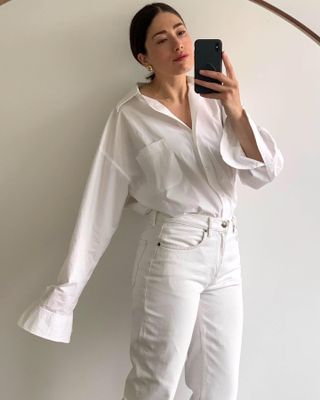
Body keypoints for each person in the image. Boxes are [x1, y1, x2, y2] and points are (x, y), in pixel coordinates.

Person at [17, 2, 284, 399]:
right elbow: (99, 207)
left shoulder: (216, 101)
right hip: (172, 252)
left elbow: (265, 172)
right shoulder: (129, 116)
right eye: (162, 39)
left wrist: (236, 109)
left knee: (220, 387)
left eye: (180, 31)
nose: (177, 43)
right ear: (143, 57)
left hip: (227, 253)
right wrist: (64, 295)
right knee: (155, 382)